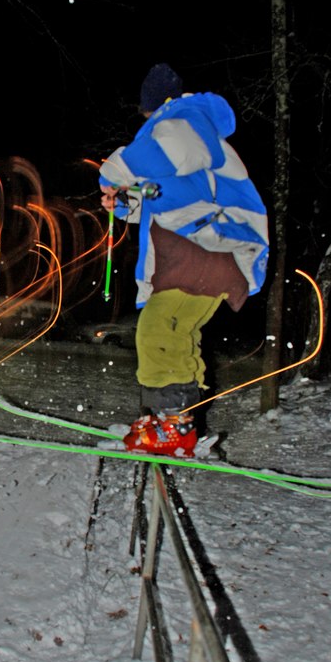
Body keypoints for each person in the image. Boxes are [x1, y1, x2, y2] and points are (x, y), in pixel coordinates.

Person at [99, 63, 269, 456]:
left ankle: (174, 424)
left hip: (202, 255)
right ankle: (177, 422)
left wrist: (114, 171)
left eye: (146, 111)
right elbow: (163, 196)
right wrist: (122, 201)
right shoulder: (185, 135)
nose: (145, 118)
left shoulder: (184, 120)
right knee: (179, 333)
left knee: (157, 329)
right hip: (202, 256)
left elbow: (162, 154)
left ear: (154, 104)